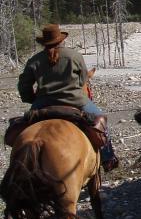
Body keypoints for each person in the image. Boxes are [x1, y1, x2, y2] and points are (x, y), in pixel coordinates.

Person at [17, 24, 119, 171]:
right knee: (100, 119)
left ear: (43, 43)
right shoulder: (74, 56)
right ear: (61, 40)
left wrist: (33, 99)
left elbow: (24, 87)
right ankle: (108, 158)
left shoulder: (34, 60)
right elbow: (83, 79)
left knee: (21, 128)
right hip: (75, 101)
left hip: (42, 104)